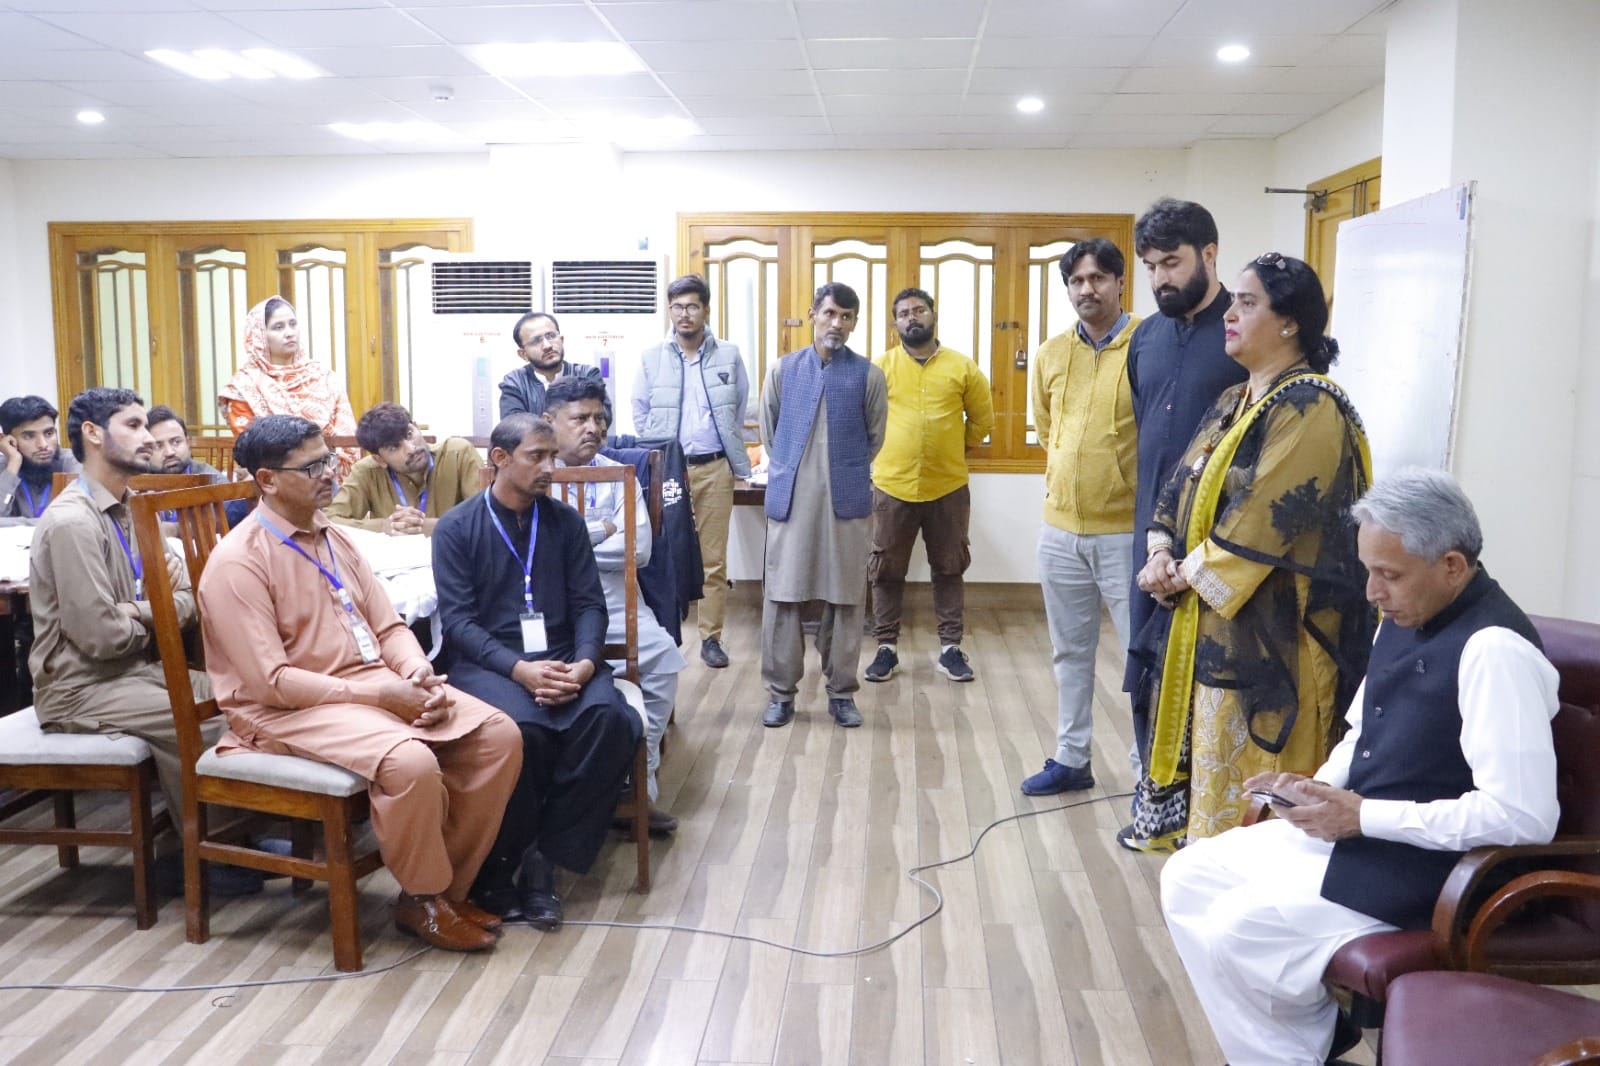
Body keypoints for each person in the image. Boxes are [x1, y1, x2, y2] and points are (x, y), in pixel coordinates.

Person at [1162, 467, 1560, 1066]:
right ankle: (1307, 1048)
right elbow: (1361, 733)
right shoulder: (1405, 616)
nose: (1372, 592)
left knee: (1241, 927)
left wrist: (1362, 817)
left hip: (1443, 869)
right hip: (1373, 838)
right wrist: (1318, 789)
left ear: (1452, 566)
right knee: (1189, 875)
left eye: (1389, 575)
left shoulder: (1494, 651)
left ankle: (1290, 1055)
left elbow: (1524, 817)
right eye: (1369, 571)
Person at [199, 415, 523, 952]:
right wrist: (382, 695)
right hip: (283, 709)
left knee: (498, 735)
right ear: (267, 480)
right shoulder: (238, 562)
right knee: (411, 762)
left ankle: (441, 893)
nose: (331, 473)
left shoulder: (336, 538)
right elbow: (272, 681)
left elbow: (388, 626)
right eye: (312, 467)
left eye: (328, 459)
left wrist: (415, 672)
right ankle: (427, 897)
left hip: (366, 686)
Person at [1124, 253, 1375, 853]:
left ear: (1290, 322)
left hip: (1273, 635)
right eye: (1233, 301)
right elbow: (1178, 487)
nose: (1229, 314)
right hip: (1207, 619)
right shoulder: (1235, 397)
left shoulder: (1311, 405)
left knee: (1256, 804)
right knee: (1206, 783)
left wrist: (1181, 575)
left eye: (1247, 302)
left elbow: (1266, 517)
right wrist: (1159, 550)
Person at [28, 387, 266, 895]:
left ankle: (233, 838)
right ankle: (203, 855)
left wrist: (136, 609)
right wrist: (154, 612)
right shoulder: (72, 523)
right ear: (93, 434)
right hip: (79, 686)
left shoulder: (133, 506)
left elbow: (190, 597)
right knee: (201, 716)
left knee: (241, 696)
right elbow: (102, 638)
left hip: (130, 670)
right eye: (133, 426)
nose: (149, 438)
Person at [431, 413, 642, 929]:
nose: (551, 467)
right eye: (537, 457)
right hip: (491, 664)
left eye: (552, 456)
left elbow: (590, 604)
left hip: (568, 658)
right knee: (522, 732)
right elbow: (458, 623)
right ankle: (503, 865)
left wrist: (586, 663)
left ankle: (544, 860)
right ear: (499, 459)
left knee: (613, 722)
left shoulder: (565, 523)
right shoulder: (456, 528)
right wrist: (520, 670)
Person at [1123, 199, 1249, 774]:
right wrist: (1156, 544)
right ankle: (1153, 800)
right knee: (1146, 670)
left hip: (1222, 547)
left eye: (1171, 263)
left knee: (1214, 685)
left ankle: (1209, 811)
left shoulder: (1243, 333)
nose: (1159, 279)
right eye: (1150, 266)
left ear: (1209, 253)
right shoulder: (1145, 337)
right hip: (1151, 541)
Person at [1020, 240, 1141, 796]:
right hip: (1060, 530)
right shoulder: (1050, 353)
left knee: (1141, 656)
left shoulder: (1147, 345)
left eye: (1098, 278)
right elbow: (1048, 429)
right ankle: (1072, 758)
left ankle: (1148, 772)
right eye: (1077, 281)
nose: (1087, 289)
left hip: (1126, 533)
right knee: (1069, 652)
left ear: (1120, 283)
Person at [543, 376, 685, 831]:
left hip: (614, 601)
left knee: (663, 658)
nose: (593, 428)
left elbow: (636, 551)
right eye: (580, 418)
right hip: (546, 608)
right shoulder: (533, 474)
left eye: (600, 418)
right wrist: (600, 530)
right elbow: (534, 554)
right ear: (550, 422)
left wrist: (567, 547)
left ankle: (636, 782)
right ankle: (562, 791)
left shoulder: (621, 475)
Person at [760, 282, 888, 729]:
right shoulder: (783, 370)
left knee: (847, 598)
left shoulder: (869, 375)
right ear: (813, 313)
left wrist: (841, 471)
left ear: (854, 323)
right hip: (792, 502)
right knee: (782, 596)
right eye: (830, 313)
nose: (837, 323)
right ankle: (780, 694)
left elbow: (875, 438)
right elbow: (770, 434)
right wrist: (799, 472)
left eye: (847, 316)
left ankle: (842, 692)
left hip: (845, 503)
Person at [863, 287, 994, 685]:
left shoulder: (962, 367)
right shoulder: (880, 368)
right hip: (891, 486)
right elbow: (864, 420)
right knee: (886, 570)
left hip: (947, 487)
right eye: (903, 313)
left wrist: (949, 448)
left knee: (949, 568)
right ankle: (886, 649)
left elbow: (982, 421)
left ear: (933, 315)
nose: (912, 317)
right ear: (895, 324)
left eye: (919, 310)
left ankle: (950, 649)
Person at [631, 273, 750, 670]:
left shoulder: (729, 354)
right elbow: (639, 410)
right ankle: (664, 632)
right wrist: (657, 452)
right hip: (668, 472)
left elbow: (738, 407)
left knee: (714, 559)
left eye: (692, 306)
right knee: (663, 553)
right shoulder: (651, 358)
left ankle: (711, 637)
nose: (684, 314)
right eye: (677, 307)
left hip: (714, 467)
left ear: (706, 310)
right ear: (670, 311)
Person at [218, 297, 360, 478]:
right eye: (278, 327)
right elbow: (254, 450)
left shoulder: (324, 377)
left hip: (332, 471)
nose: (289, 333)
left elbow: (347, 438)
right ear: (259, 336)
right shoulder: (244, 387)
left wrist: (325, 465)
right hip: (278, 478)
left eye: (293, 324)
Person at [325, 402, 484, 536]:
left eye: (409, 434)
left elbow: (486, 517)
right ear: (380, 459)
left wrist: (433, 527)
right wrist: (383, 527)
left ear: (416, 427)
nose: (411, 448)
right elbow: (329, 520)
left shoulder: (458, 454)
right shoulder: (367, 471)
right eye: (394, 447)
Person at [497, 311, 606, 421]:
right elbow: (513, 425)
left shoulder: (587, 374)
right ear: (523, 354)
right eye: (535, 341)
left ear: (561, 340)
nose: (547, 346)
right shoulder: (515, 382)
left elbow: (603, 417)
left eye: (551, 336)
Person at [0, 394, 80, 518]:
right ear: (6, 440)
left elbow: (77, 520)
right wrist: (13, 464)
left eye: (49, 433)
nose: (43, 445)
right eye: (29, 436)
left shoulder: (73, 462)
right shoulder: (5, 467)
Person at [146, 406, 226, 481]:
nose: (169, 452)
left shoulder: (212, 482)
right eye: (157, 446)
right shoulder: (140, 482)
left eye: (176, 442)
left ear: (188, 443)